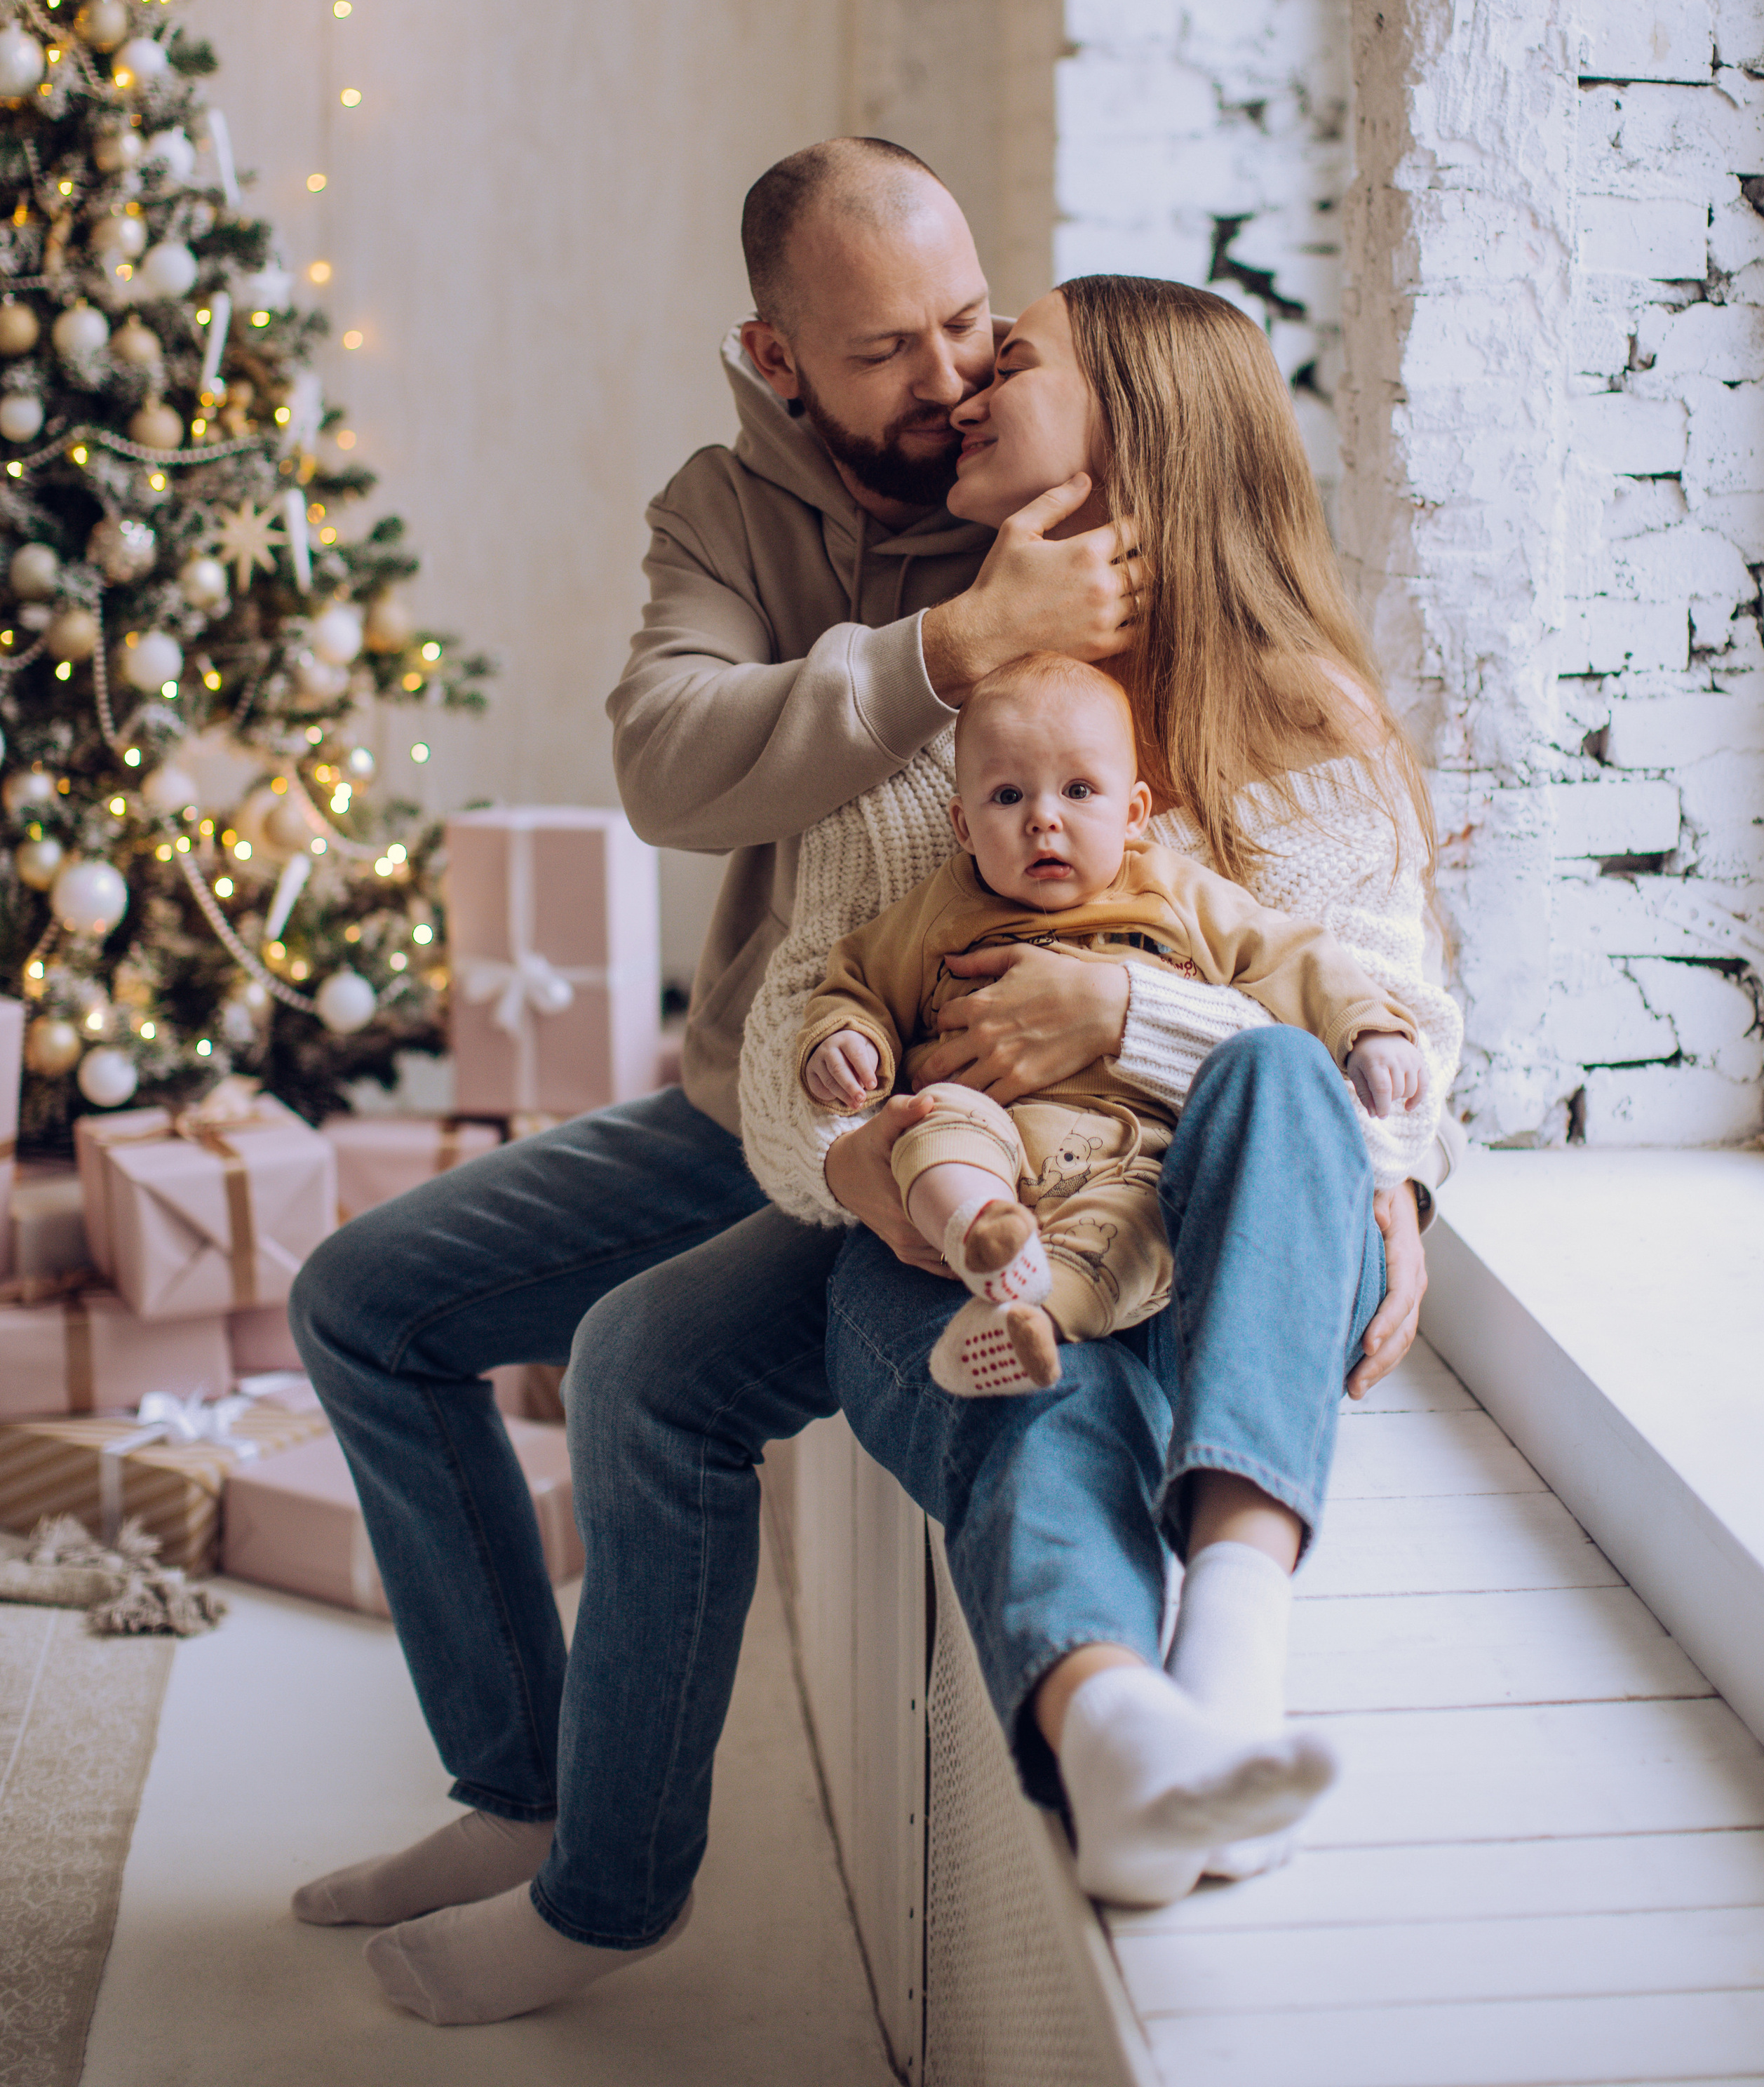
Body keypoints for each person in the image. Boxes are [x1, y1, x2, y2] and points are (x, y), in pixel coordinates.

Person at [285, 138, 1237, 2026]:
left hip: (963, 1127)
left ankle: (603, 1879)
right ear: (780, 355)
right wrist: (954, 644)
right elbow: (667, 762)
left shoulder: (1058, 495)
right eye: (891, 349)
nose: (952, 375)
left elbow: (1262, 835)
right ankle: (522, 1789)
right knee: (363, 1306)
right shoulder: (733, 513)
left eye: (973, 324)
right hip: (752, 1094)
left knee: (647, 1367)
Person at [740, 276, 1462, 1905]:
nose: (967, 387)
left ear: (1126, 429)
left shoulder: (1289, 717)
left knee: (1272, 1067)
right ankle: (1119, 1735)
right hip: (983, 1217)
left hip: (1219, 1228)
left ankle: (1228, 1643)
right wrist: (900, 1153)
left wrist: (1120, 1011)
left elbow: (1373, 1054)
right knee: (1027, 1365)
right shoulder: (946, 708)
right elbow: (806, 1049)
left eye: (1013, 361)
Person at [796, 650, 1426, 1395]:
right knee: (933, 1129)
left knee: (1140, 1233)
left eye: (1078, 790)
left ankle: (1034, 1320)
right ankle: (981, 1232)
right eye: (1006, 796)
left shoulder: (1173, 890)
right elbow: (856, 980)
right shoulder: (940, 909)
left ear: (1132, 815)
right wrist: (843, 1040)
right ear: (962, 827)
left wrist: (1369, 1029)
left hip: (1138, 1154)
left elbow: (1290, 956)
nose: (1042, 819)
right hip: (993, 1128)